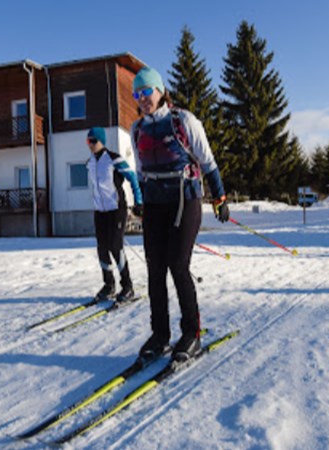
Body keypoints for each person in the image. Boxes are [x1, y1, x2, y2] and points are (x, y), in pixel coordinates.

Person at [129, 66, 229, 362]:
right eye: (137, 93)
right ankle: (160, 335)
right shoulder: (137, 129)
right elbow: (139, 170)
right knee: (154, 268)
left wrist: (220, 196)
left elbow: (208, 161)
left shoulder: (183, 121)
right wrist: (139, 200)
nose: (143, 98)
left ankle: (191, 334)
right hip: (155, 203)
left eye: (147, 91)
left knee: (178, 264)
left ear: (160, 91)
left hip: (185, 200)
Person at [86, 127, 143, 303]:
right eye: (88, 141)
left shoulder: (114, 159)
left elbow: (132, 177)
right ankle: (109, 285)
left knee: (115, 247)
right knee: (102, 248)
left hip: (116, 209)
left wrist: (138, 202)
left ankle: (127, 286)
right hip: (100, 211)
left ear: (101, 141)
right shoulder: (90, 163)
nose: (90, 145)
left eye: (93, 141)